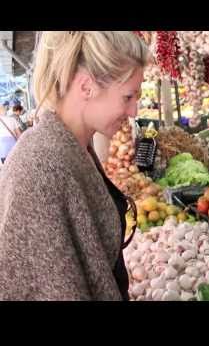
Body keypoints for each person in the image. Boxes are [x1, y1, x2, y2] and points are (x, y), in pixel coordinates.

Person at [0, 31, 151, 300]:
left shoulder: (73, 147)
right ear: (86, 87)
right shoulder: (40, 167)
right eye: (128, 97)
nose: (134, 112)